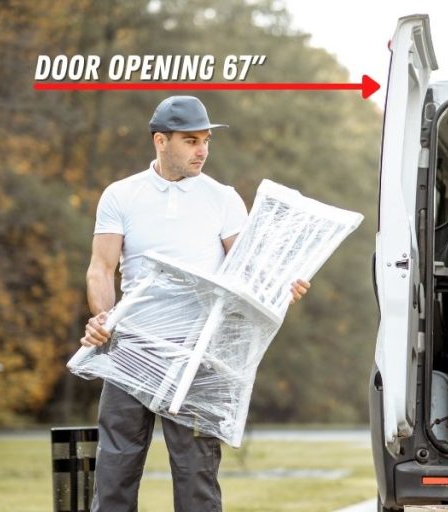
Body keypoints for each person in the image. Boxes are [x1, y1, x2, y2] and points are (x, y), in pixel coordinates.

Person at [79, 95, 310, 511]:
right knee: (115, 472)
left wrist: (281, 283)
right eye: (190, 141)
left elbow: (249, 268)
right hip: (133, 347)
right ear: (160, 141)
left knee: (196, 478)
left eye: (205, 140)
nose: (202, 150)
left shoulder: (222, 198)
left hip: (199, 354)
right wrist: (102, 318)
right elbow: (101, 268)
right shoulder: (121, 195)